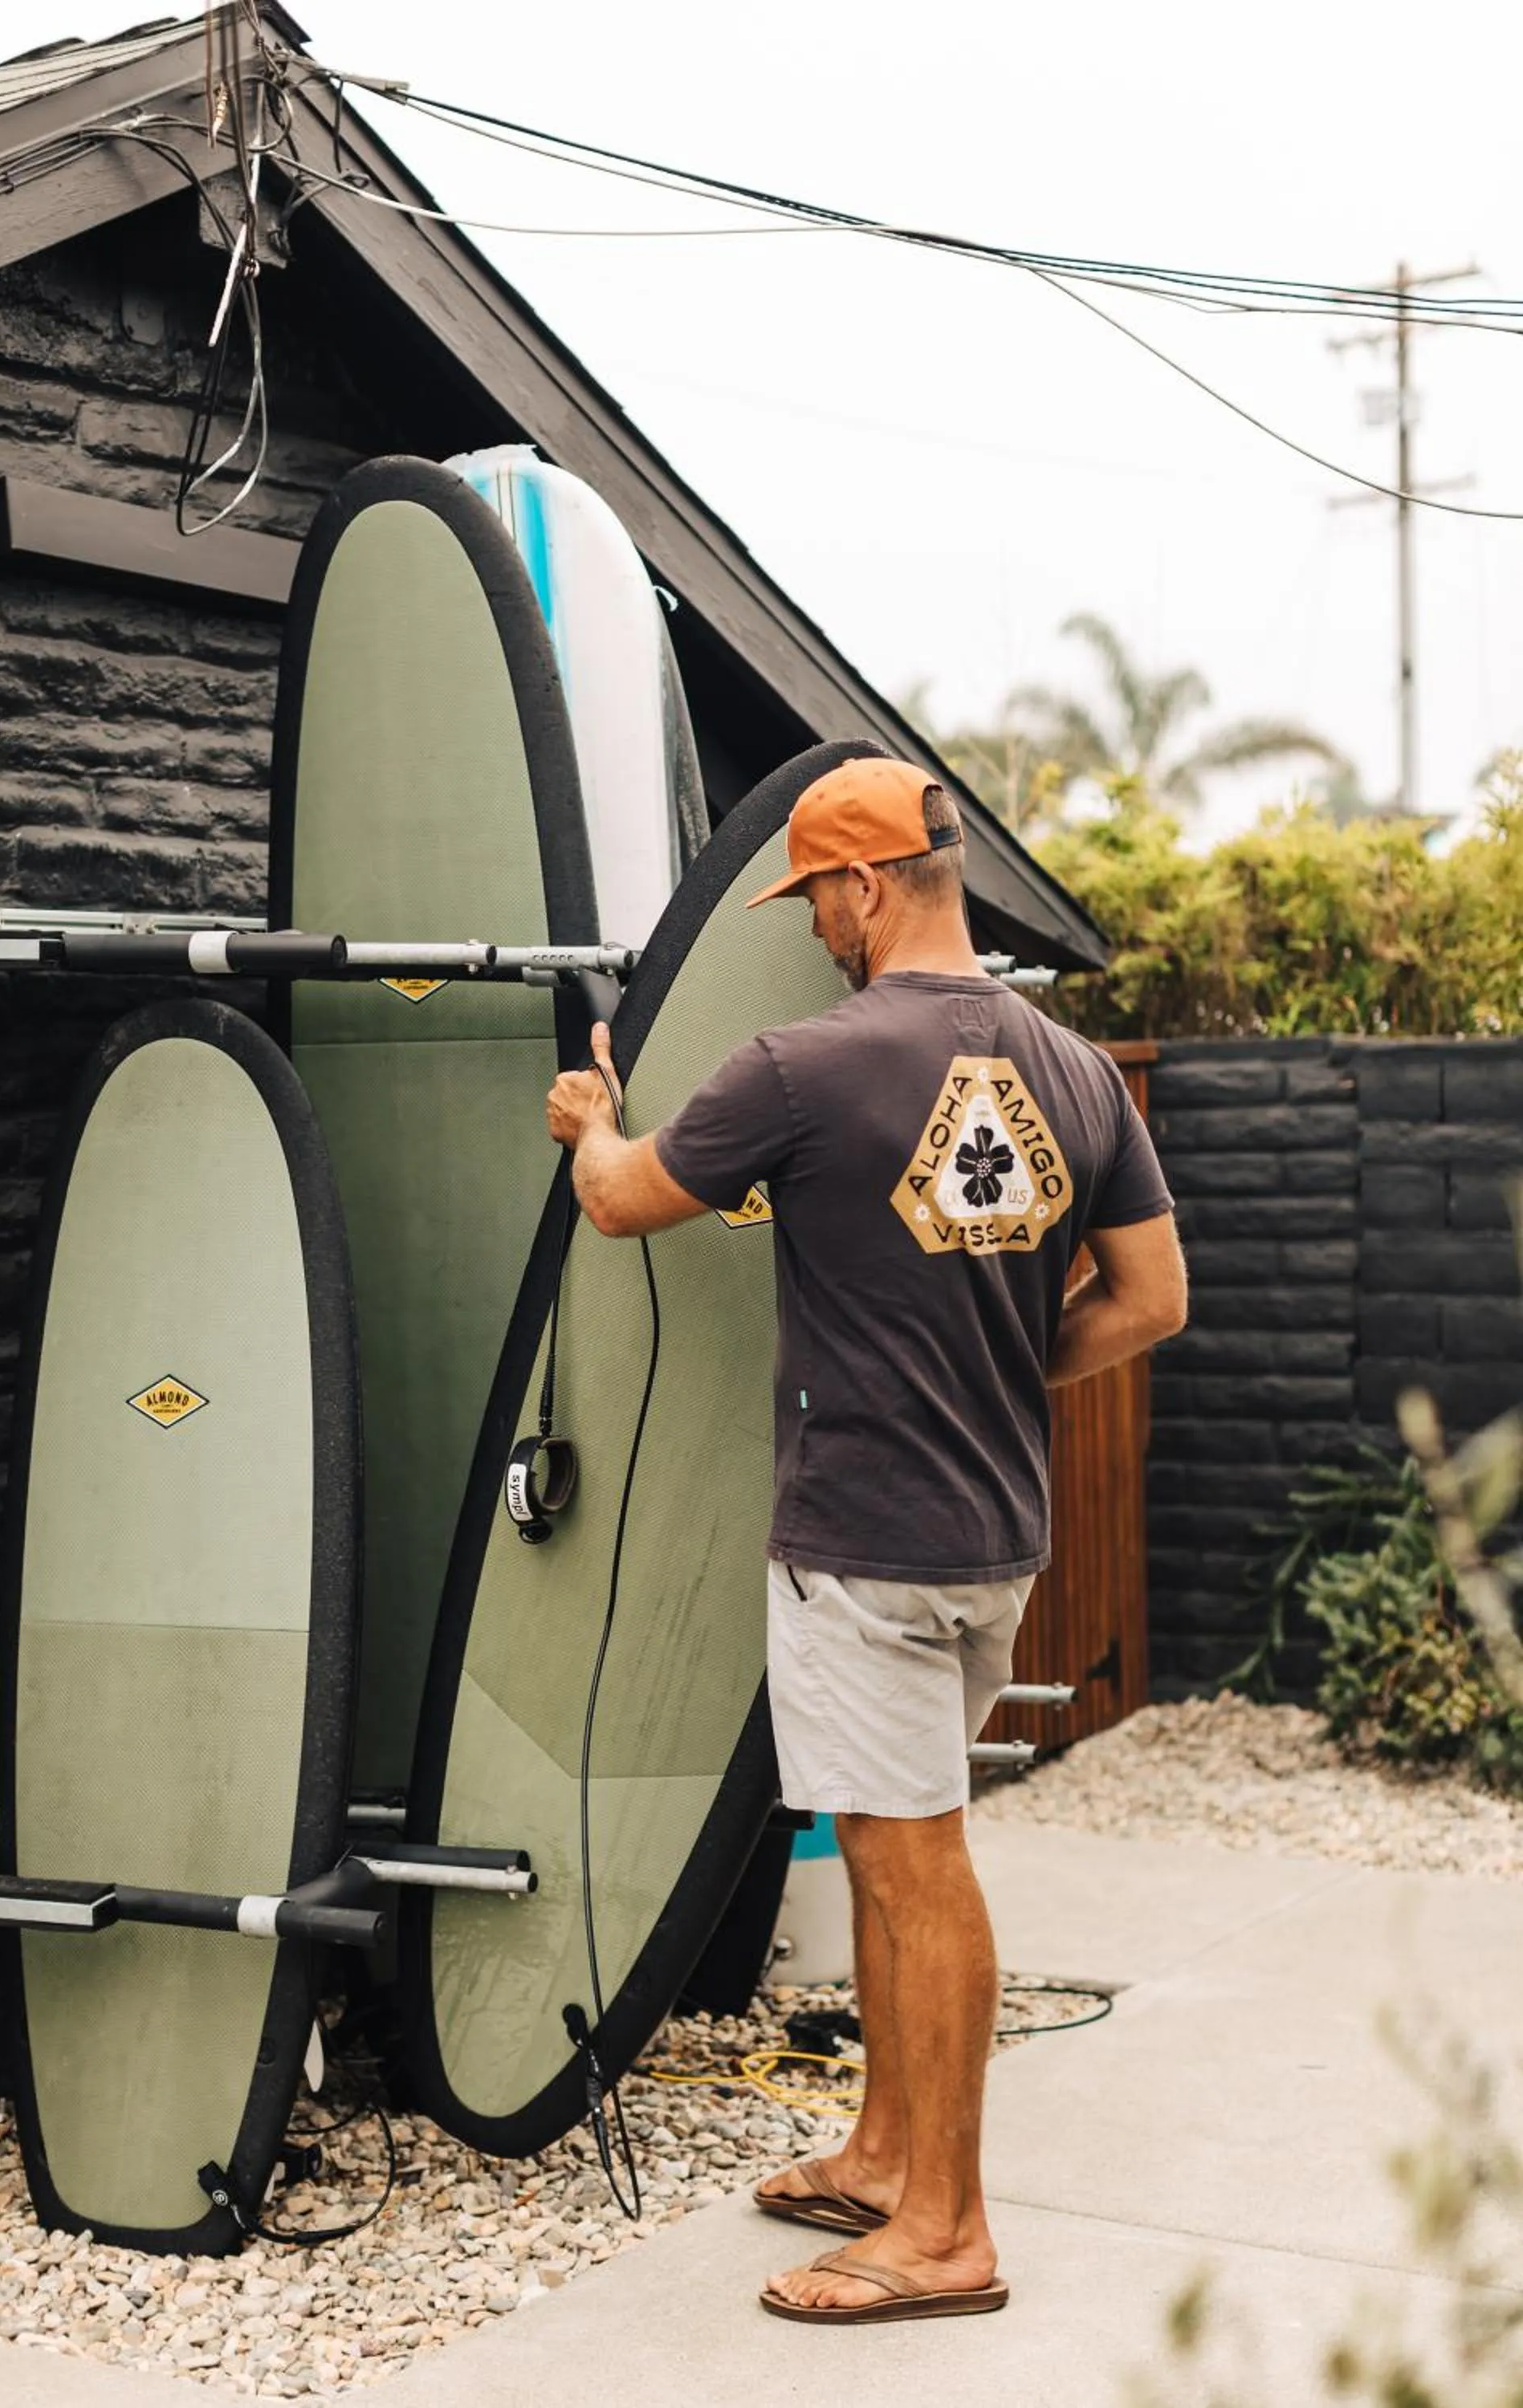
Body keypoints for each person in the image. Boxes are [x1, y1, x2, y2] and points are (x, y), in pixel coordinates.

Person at [544, 755, 1186, 2329]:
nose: (816, 929)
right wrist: (993, 1367)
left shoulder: (801, 1066)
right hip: (993, 1540)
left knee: (912, 1866)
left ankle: (948, 2233)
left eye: (816, 897)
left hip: (867, 1539)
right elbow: (1150, 1300)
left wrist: (586, 1120)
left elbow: (624, 1203)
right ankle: (889, 2151)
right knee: (913, 1836)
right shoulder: (1074, 1068)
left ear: (866, 884)